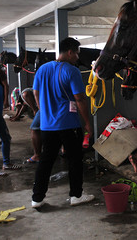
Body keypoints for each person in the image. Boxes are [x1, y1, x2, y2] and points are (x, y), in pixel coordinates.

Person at [31, 37, 94, 208]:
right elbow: (80, 98)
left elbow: (35, 93)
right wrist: (87, 122)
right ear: (70, 52)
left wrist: (44, 111)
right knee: (75, 159)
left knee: (46, 160)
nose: (77, 58)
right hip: (68, 124)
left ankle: (37, 199)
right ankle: (76, 195)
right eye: (76, 54)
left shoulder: (42, 69)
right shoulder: (71, 71)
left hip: (47, 125)